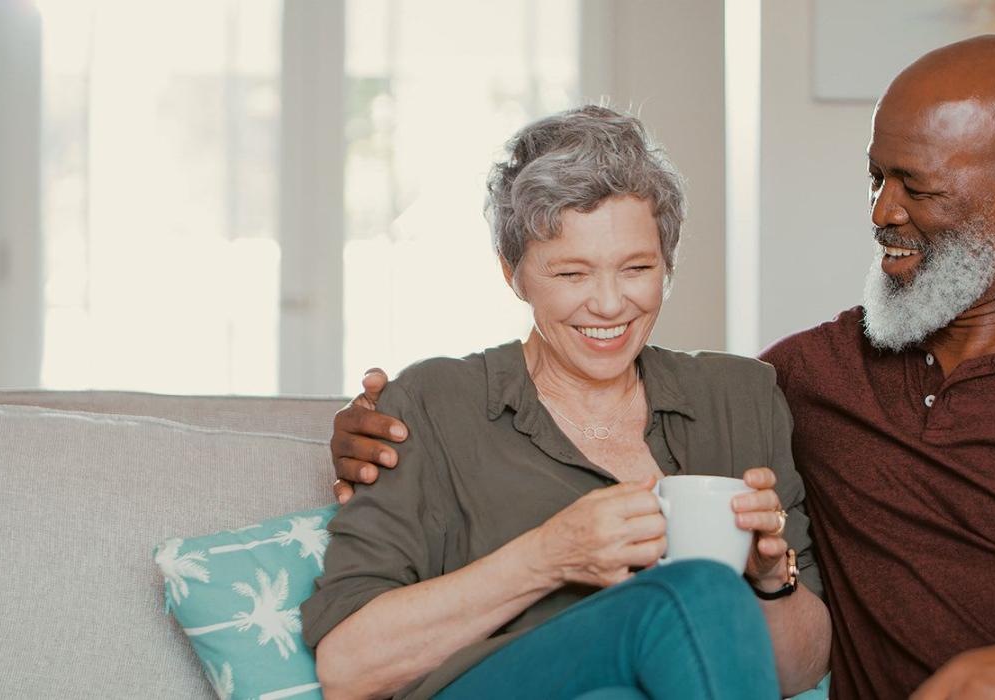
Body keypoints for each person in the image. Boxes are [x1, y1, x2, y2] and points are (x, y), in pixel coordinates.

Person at [332, 37, 995, 699]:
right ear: (516, 273)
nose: (881, 211)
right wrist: (359, 434)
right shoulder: (808, 378)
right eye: (876, 177)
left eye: (918, 186)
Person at [302, 105, 830, 700]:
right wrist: (549, 557)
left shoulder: (740, 398)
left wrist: (770, 580)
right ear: (513, 273)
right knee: (702, 587)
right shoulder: (432, 402)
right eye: (572, 274)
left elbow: (801, 670)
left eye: (636, 268)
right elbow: (348, 670)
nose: (608, 304)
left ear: (668, 263)